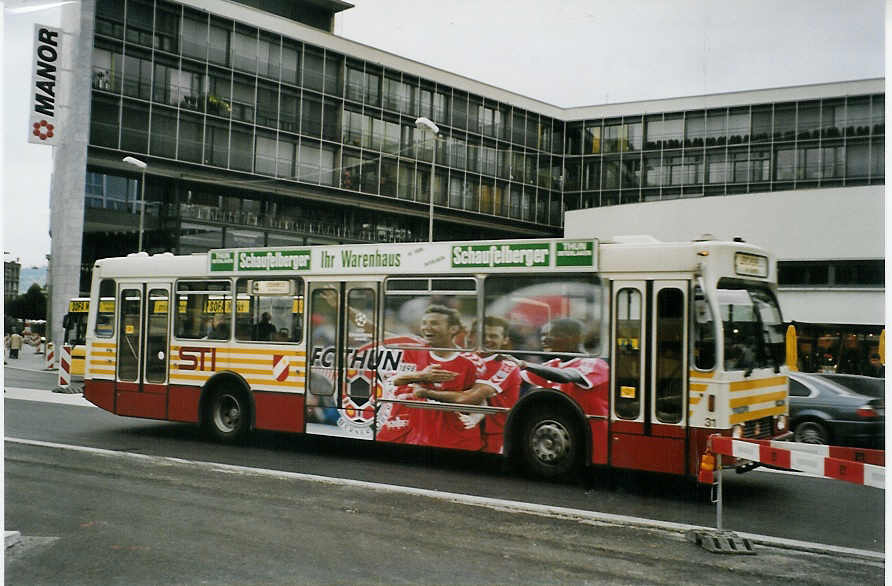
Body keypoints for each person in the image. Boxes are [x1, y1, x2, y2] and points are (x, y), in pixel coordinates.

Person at [378, 304, 484, 450]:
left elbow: (480, 399)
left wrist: (474, 417)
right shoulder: (413, 352)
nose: (426, 327)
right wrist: (422, 376)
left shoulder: (471, 362)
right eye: (424, 323)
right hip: (420, 436)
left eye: (434, 323)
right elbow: (397, 380)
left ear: (453, 329)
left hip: (457, 438)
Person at [414, 316, 521, 454]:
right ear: (472, 336)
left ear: (505, 340)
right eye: (482, 335)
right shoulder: (461, 359)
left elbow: (470, 398)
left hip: (494, 436)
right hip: (459, 433)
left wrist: (424, 392)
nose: (487, 339)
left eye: (493, 336)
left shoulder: (507, 366)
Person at [505, 317, 609, 423]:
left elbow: (566, 376)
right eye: (543, 335)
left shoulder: (594, 363)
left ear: (575, 338)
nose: (544, 339)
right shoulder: (553, 364)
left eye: (553, 335)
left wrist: (524, 364)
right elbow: (516, 377)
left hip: (593, 428)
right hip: (563, 427)